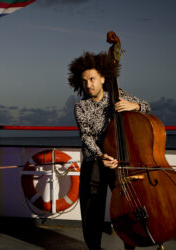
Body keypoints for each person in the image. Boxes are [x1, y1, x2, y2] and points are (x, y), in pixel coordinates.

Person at [68, 51, 151, 250]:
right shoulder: (81, 106)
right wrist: (100, 155)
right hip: (94, 161)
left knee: (125, 208)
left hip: (119, 159)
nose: (88, 84)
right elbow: (86, 136)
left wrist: (134, 105)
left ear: (103, 78)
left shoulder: (118, 95)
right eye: (85, 81)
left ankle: (130, 246)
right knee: (91, 212)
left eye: (92, 79)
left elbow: (147, 107)